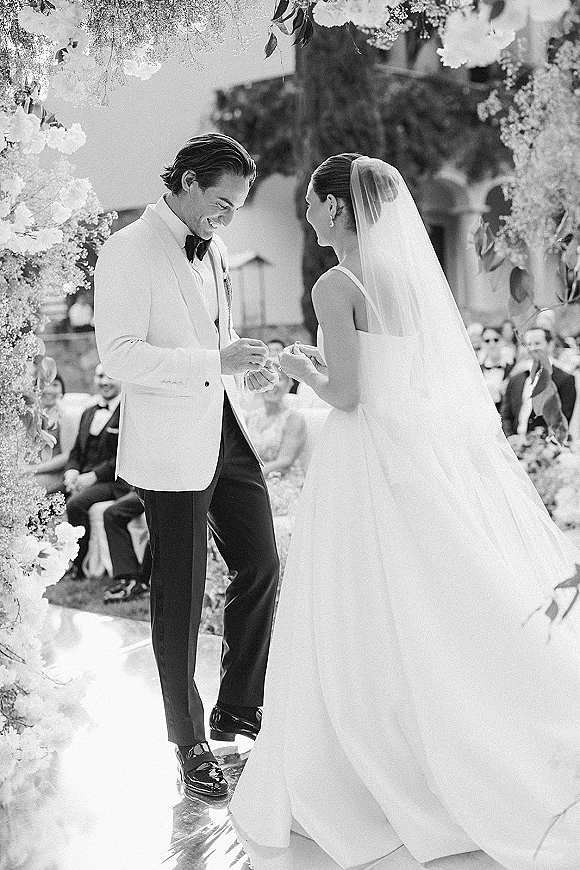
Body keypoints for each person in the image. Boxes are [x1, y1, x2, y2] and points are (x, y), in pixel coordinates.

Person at [229, 155, 580, 870]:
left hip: (363, 457)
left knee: (359, 605)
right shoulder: (407, 280)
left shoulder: (336, 283)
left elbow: (348, 395)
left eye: (312, 204)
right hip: (415, 450)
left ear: (335, 207)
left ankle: (373, 761)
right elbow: (408, 377)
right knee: (438, 596)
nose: (307, 216)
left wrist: (301, 369)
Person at [94, 134, 280, 800]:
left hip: (222, 429)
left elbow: (214, 339)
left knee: (261, 561)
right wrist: (212, 364)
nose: (226, 219)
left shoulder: (218, 248)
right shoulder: (128, 249)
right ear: (191, 181)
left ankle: (239, 708)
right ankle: (189, 741)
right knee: (179, 594)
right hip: (169, 445)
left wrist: (243, 360)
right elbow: (118, 356)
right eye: (223, 203)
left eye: (234, 208)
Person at [62, 365, 131, 582]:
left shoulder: (128, 413)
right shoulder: (88, 412)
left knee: (75, 505)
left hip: (114, 481)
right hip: (84, 478)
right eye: (100, 376)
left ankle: (78, 563)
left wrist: (93, 477)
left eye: (111, 376)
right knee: (57, 499)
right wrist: (72, 472)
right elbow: (75, 451)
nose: (105, 382)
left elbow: (124, 456)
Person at [501, 327, 576, 437]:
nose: (532, 349)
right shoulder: (516, 379)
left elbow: (563, 417)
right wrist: (510, 438)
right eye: (528, 344)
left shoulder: (564, 379)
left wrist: (536, 442)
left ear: (550, 345)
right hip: (514, 443)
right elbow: (506, 414)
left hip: (545, 445)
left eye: (537, 343)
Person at [102, 491, 152, 603]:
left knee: (158, 520)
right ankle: (129, 577)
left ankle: (141, 583)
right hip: (145, 489)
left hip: (171, 489)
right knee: (111, 514)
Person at [29, 373, 68, 494]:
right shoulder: (30, 415)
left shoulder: (66, 416)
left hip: (55, 474)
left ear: (62, 390)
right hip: (30, 470)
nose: (50, 390)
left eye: (55, 385)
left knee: (24, 487)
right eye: (45, 384)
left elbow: (66, 456)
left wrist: (32, 469)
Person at [480, 324, 514, 410]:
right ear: (482, 344)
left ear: (502, 341)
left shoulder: (512, 368)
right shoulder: (478, 371)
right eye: (487, 341)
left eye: (496, 340)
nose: (492, 344)